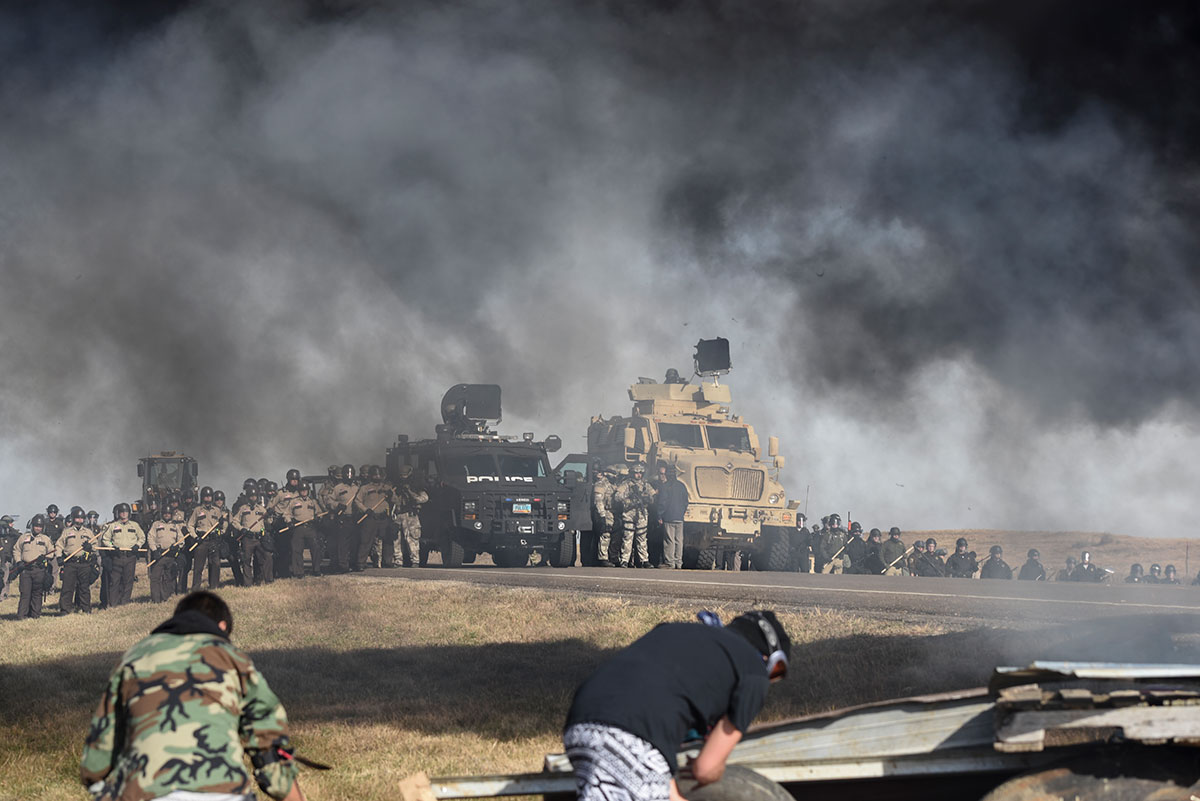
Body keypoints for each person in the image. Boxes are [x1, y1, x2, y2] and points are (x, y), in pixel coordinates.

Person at [80, 591, 306, 801]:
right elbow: (269, 742)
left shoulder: (134, 657)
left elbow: (100, 749)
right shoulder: (232, 658)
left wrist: (100, 787)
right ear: (222, 626)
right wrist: (284, 787)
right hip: (222, 791)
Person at [563, 610, 789, 801]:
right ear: (769, 657)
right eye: (777, 671)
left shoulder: (678, 632)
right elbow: (705, 769)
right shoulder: (753, 670)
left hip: (581, 722)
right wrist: (714, 768)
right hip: (632, 738)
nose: (770, 680)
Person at [100, 503, 147, 607]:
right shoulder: (113, 526)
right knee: (114, 581)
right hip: (117, 556)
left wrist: (137, 545)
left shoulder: (135, 525)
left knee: (128, 580)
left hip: (130, 556)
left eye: (126, 512)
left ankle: (124, 602)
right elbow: (105, 539)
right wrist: (112, 547)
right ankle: (113, 603)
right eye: (122, 512)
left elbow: (142, 537)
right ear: (119, 514)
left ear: (129, 513)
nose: (124, 514)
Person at [57, 510, 99, 614]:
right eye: (77, 518)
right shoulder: (67, 532)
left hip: (84, 563)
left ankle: (86, 609)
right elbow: (59, 545)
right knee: (67, 587)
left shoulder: (88, 532)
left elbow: (95, 546)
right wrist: (58, 557)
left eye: (81, 518)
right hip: (70, 563)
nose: (79, 520)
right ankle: (65, 609)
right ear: (73, 518)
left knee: (84, 587)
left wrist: (90, 548)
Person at [615, 463, 656, 568]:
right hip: (629, 513)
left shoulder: (646, 485)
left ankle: (644, 560)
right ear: (632, 473)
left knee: (642, 538)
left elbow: (654, 497)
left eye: (640, 473)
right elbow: (617, 497)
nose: (638, 475)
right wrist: (629, 497)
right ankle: (624, 560)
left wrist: (647, 498)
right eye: (636, 473)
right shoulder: (626, 484)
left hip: (641, 514)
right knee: (627, 537)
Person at [187, 486, 227, 590]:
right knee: (198, 567)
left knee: (216, 564)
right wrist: (195, 537)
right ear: (202, 497)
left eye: (209, 497)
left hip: (213, 540)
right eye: (205, 497)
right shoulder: (197, 510)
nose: (207, 499)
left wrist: (220, 533)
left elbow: (223, 526)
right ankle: (195, 588)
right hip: (201, 541)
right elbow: (190, 525)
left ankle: (214, 587)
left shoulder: (217, 511)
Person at [14, 515, 54, 618]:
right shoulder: (23, 537)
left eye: (40, 526)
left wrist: (44, 558)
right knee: (25, 594)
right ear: (32, 526)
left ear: (43, 527)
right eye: (36, 526)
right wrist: (19, 562)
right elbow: (16, 550)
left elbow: (51, 553)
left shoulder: (46, 539)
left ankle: (35, 615)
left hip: (39, 570)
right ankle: (22, 616)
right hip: (26, 570)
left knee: (37, 593)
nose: (38, 528)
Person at [353, 466, 394, 569]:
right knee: (366, 541)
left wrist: (392, 495)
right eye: (375, 475)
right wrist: (365, 509)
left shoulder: (387, 488)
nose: (377, 476)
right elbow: (357, 501)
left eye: (379, 474)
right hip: (370, 517)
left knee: (388, 541)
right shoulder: (364, 488)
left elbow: (395, 501)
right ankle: (361, 563)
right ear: (371, 476)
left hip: (384, 518)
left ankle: (387, 562)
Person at [232, 488, 272, 585]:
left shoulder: (261, 509)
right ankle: (247, 583)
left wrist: (269, 516)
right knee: (246, 560)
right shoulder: (243, 508)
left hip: (259, 538)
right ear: (248, 497)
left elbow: (269, 522)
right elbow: (234, 521)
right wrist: (242, 529)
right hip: (247, 538)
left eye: (254, 496)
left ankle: (266, 580)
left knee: (266, 557)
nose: (253, 498)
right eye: (251, 496)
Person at [284, 480, 324, 577]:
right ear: (299, 491)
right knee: (297, 550)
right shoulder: (293, 501)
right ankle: (299, 572)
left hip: (310, 528)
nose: (304, 492)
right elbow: (286, 514)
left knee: (316, 548)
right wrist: (289, 522)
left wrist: (318, 518)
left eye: (305, 490)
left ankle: (316, 570)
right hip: (298, 528)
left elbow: (319, 513)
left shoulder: (313, 502)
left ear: (308, 491)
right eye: (302, 490)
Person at [146, 509, 187, 603]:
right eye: (165, 513)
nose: (167, 515)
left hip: (171, 555)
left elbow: (181, 539)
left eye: (169, 513)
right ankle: (156, 599)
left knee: (169, 577)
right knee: (155, 577)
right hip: (159, 555)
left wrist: (177, 547)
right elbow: (150, 537)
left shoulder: (175, 526)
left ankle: (166, 597)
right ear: (162, 514)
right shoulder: (156, 524)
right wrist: (154, 550)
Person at [393, 466, 429, 568]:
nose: (403, 477)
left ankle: (415, 561)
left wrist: (409, 491)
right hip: (398, 515)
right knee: (396, 539)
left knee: (412, 539)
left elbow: (423, 499)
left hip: (411, 515)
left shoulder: (416, 486)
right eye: (401, 475)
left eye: (404, 475)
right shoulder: (395, 486)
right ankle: (398, 561)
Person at [655, 465, 688, 570]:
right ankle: (679, 562)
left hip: (669, 517)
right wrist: (681, 512)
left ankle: (670, 563)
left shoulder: (665, 486)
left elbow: (662, 503)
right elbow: (686, 502)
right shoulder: (682, 486)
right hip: (679, 517)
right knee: (679, 540)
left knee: (670, 540)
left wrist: (660, 515)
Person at [592, 466, 617, 567]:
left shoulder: (613, 485)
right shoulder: (601, 484)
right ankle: (603, 558)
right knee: (605, 534)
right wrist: (602, 516)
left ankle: (613, 557)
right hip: (604, 512)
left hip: (613, 513)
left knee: (615, 536)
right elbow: (598, 501)